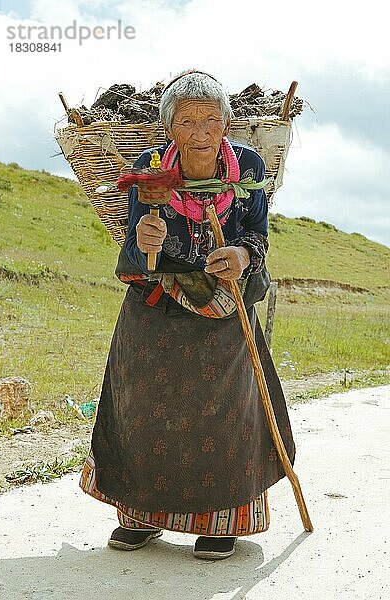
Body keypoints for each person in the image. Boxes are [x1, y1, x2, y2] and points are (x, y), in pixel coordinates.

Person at [79, 69, 296, 560]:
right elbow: (138, 242)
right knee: (141, 408)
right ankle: (141, 514)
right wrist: (144, 243)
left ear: (225, 123)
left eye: (211, 120)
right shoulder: (150, 165)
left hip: (223, 305)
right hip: (157, 305)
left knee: (224, 414)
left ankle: (222, 522)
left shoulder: (248, 164)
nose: (201, 131)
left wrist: (241, 256)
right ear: (170, 127)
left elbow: (258, 234)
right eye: (188, 121)